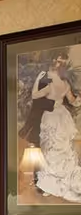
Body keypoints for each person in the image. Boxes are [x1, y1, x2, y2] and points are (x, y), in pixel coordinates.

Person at [34, 55, 81, 202]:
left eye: (50, 71)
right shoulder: (66, 83)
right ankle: (62, 179)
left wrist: (37, 79)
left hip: (52, 116)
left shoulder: (50, 85)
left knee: (51, 148)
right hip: (62, 115)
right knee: (61, 147)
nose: (48, 73)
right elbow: (74, 102)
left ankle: (52, 183)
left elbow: (35, 95)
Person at [18, 54, 63, 146]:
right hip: (44, 103)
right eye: (57, 60)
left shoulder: (58, 78)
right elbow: (35, 95)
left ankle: (29, 132)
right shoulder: (45, 73)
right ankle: (29, 133)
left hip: (48, 105)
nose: (57, 63)